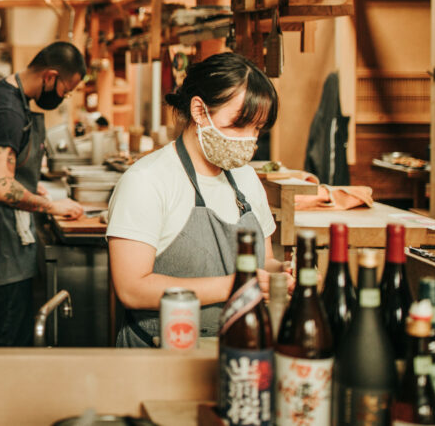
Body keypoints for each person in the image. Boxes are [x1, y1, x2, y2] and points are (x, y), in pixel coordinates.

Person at [106, 52, 294, 348]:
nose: (249, 141)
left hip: (241, 349)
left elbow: (265, 260)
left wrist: (280, 275)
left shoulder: (246, 179)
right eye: (237, 125)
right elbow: (132, 288)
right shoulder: (147, 180)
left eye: (256, 129)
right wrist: (236, 285)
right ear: (199, 111)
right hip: (162, 354)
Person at [0, 42, 87, 346]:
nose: (62, 97)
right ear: (50, 76)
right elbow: (0, 185)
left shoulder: (11, 96)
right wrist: (51, 206)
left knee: (13, 322)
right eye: (66, 89)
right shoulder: (7, 108)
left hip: (4, 228)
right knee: (6, 327)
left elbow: (10, 174)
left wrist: (32, 185)